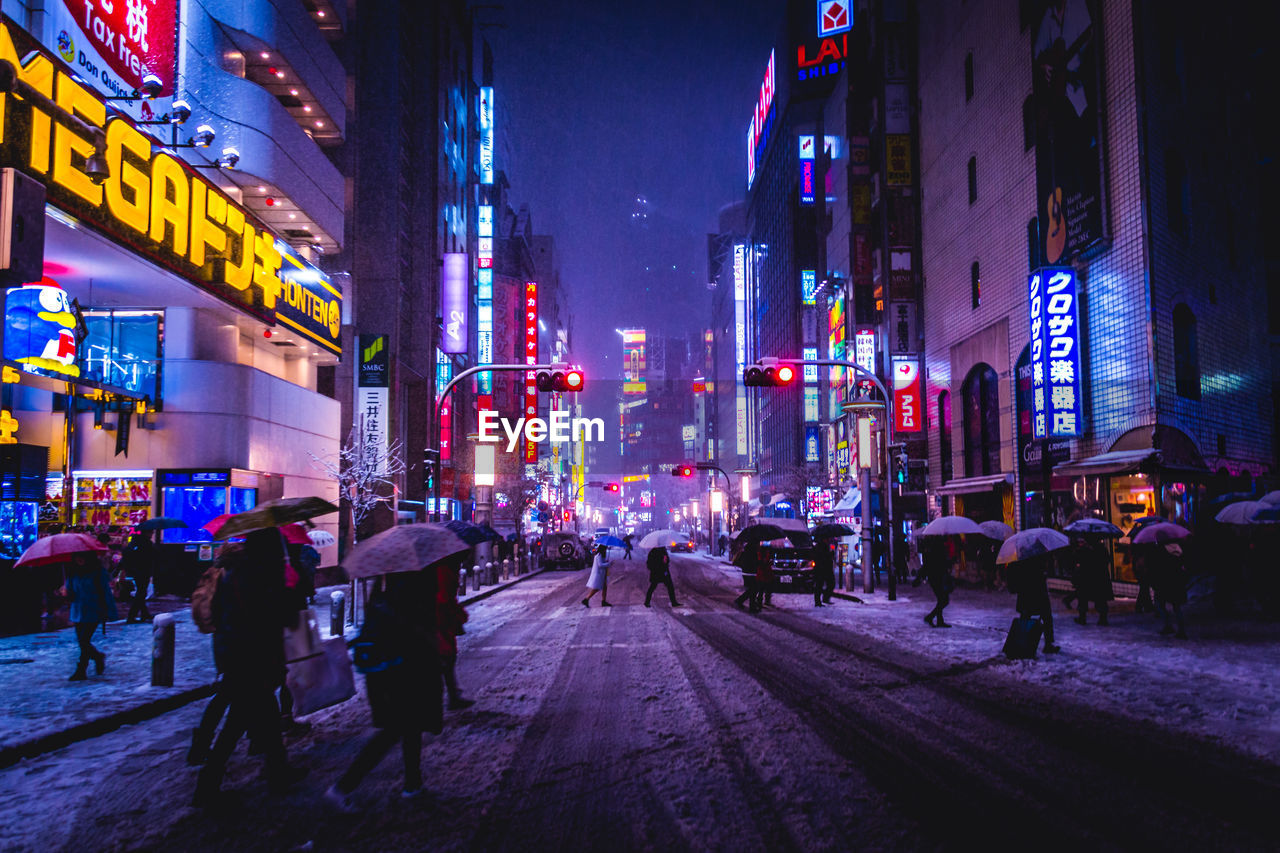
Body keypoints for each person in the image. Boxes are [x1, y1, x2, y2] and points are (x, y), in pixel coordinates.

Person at [192, 529, 304, 806]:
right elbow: (278, 617)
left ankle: (278, 771)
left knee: (263, 716)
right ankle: (207, 785)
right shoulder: (261, 577)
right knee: (238, 722)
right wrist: (289, 592)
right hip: (255, 659)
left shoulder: (235, 574)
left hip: (237, 656)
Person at [326, 570, 442, 807]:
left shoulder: (381, 596)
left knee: (411, 727)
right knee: (396, 729)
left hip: (386, 674)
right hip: (400, 673)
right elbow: (413, 637)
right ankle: (343, 787)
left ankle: (413, 783)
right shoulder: (405, 600)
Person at [66, 552, 117, 680]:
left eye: (82, 556)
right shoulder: (73, 572)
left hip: (93, 610)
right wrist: (66, 592)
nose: (80, 559)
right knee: (82, 642)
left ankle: (81, 669)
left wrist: (110, 611)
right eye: (77, 557)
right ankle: (98, 656)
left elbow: (105, 592)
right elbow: (71, 592)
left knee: (84, 640)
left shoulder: (98, 572)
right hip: (78, 610)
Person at [437, 556, 474, 709]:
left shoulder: (444, 570)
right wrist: (459, 614)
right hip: (440, 623)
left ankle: (452, 695)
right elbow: (444, 599)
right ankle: (450, 697)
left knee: (446, 659)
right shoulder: (444, 572)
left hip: (441, 622)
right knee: (445, 658)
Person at [1009, 554, 1060, 653]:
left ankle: (1021, 644)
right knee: (1046, 618)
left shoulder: (1020, 557)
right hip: (1037, 592)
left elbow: (1014, 573)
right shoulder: (1037, 556)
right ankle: (1048, 644)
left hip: (1026, 593)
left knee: (1026, 617)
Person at [1071, 537, 1113, 626]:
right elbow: (1107, 561)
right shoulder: (1102, 549)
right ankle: (1102, 618)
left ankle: (1083, 617)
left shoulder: (1087, 550)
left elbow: (1080, 561)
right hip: (1099, 578)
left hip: (1088, 578)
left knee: (1083, 598)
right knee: (1100, 599)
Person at [1152, 543, 1188, 639]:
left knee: (1160, 604)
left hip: (1166, 583)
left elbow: (1160, 568)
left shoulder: (1162, 551)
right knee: (1177, 607)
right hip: (1177, 584)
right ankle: (1181, 630)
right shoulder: (1179, 550)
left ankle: (1168, 625)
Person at [120, 532, 155, 623]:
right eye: (151, 532)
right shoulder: (146, 543)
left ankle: (144, 613)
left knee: (141, 591)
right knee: (141, 592)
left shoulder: (134, 543)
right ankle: (131, 616)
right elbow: (149, 557)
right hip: (143, 571)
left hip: (135, 571)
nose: (152, 534)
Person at [916, 539, 952, 627]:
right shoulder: (937, 550)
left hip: (935, 577)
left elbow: (927, 565)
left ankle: (939, 620)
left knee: (942, 599)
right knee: (944, 600)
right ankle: (930, 617)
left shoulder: (931, 549)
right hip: (937, 577)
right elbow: (938, 563)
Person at [732, 542, 759, 609]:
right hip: (751, 573)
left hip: (746, 573)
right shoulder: (753, 553)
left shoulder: (745, 553)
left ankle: (751, 605)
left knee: (752, 589)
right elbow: (755, 563)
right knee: (753, 589)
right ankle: (741, 601)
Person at [751, 546, 775, 613]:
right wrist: (768, 563)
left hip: (767, 574)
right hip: (762, 574)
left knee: (766, 589)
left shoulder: (766, 554)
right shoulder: (759, 555)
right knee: (761, 589)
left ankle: (764, 601)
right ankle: (759, 603)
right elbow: (761, 564)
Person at [813, 539, 836, 606]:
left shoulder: (824, 545)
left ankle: (823, 599)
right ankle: (819, 601)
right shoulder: (820, 546)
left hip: (824, 568)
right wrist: (831, 554)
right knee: (820, 585)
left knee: (826, 584)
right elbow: (823, 557)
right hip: (823, 568)